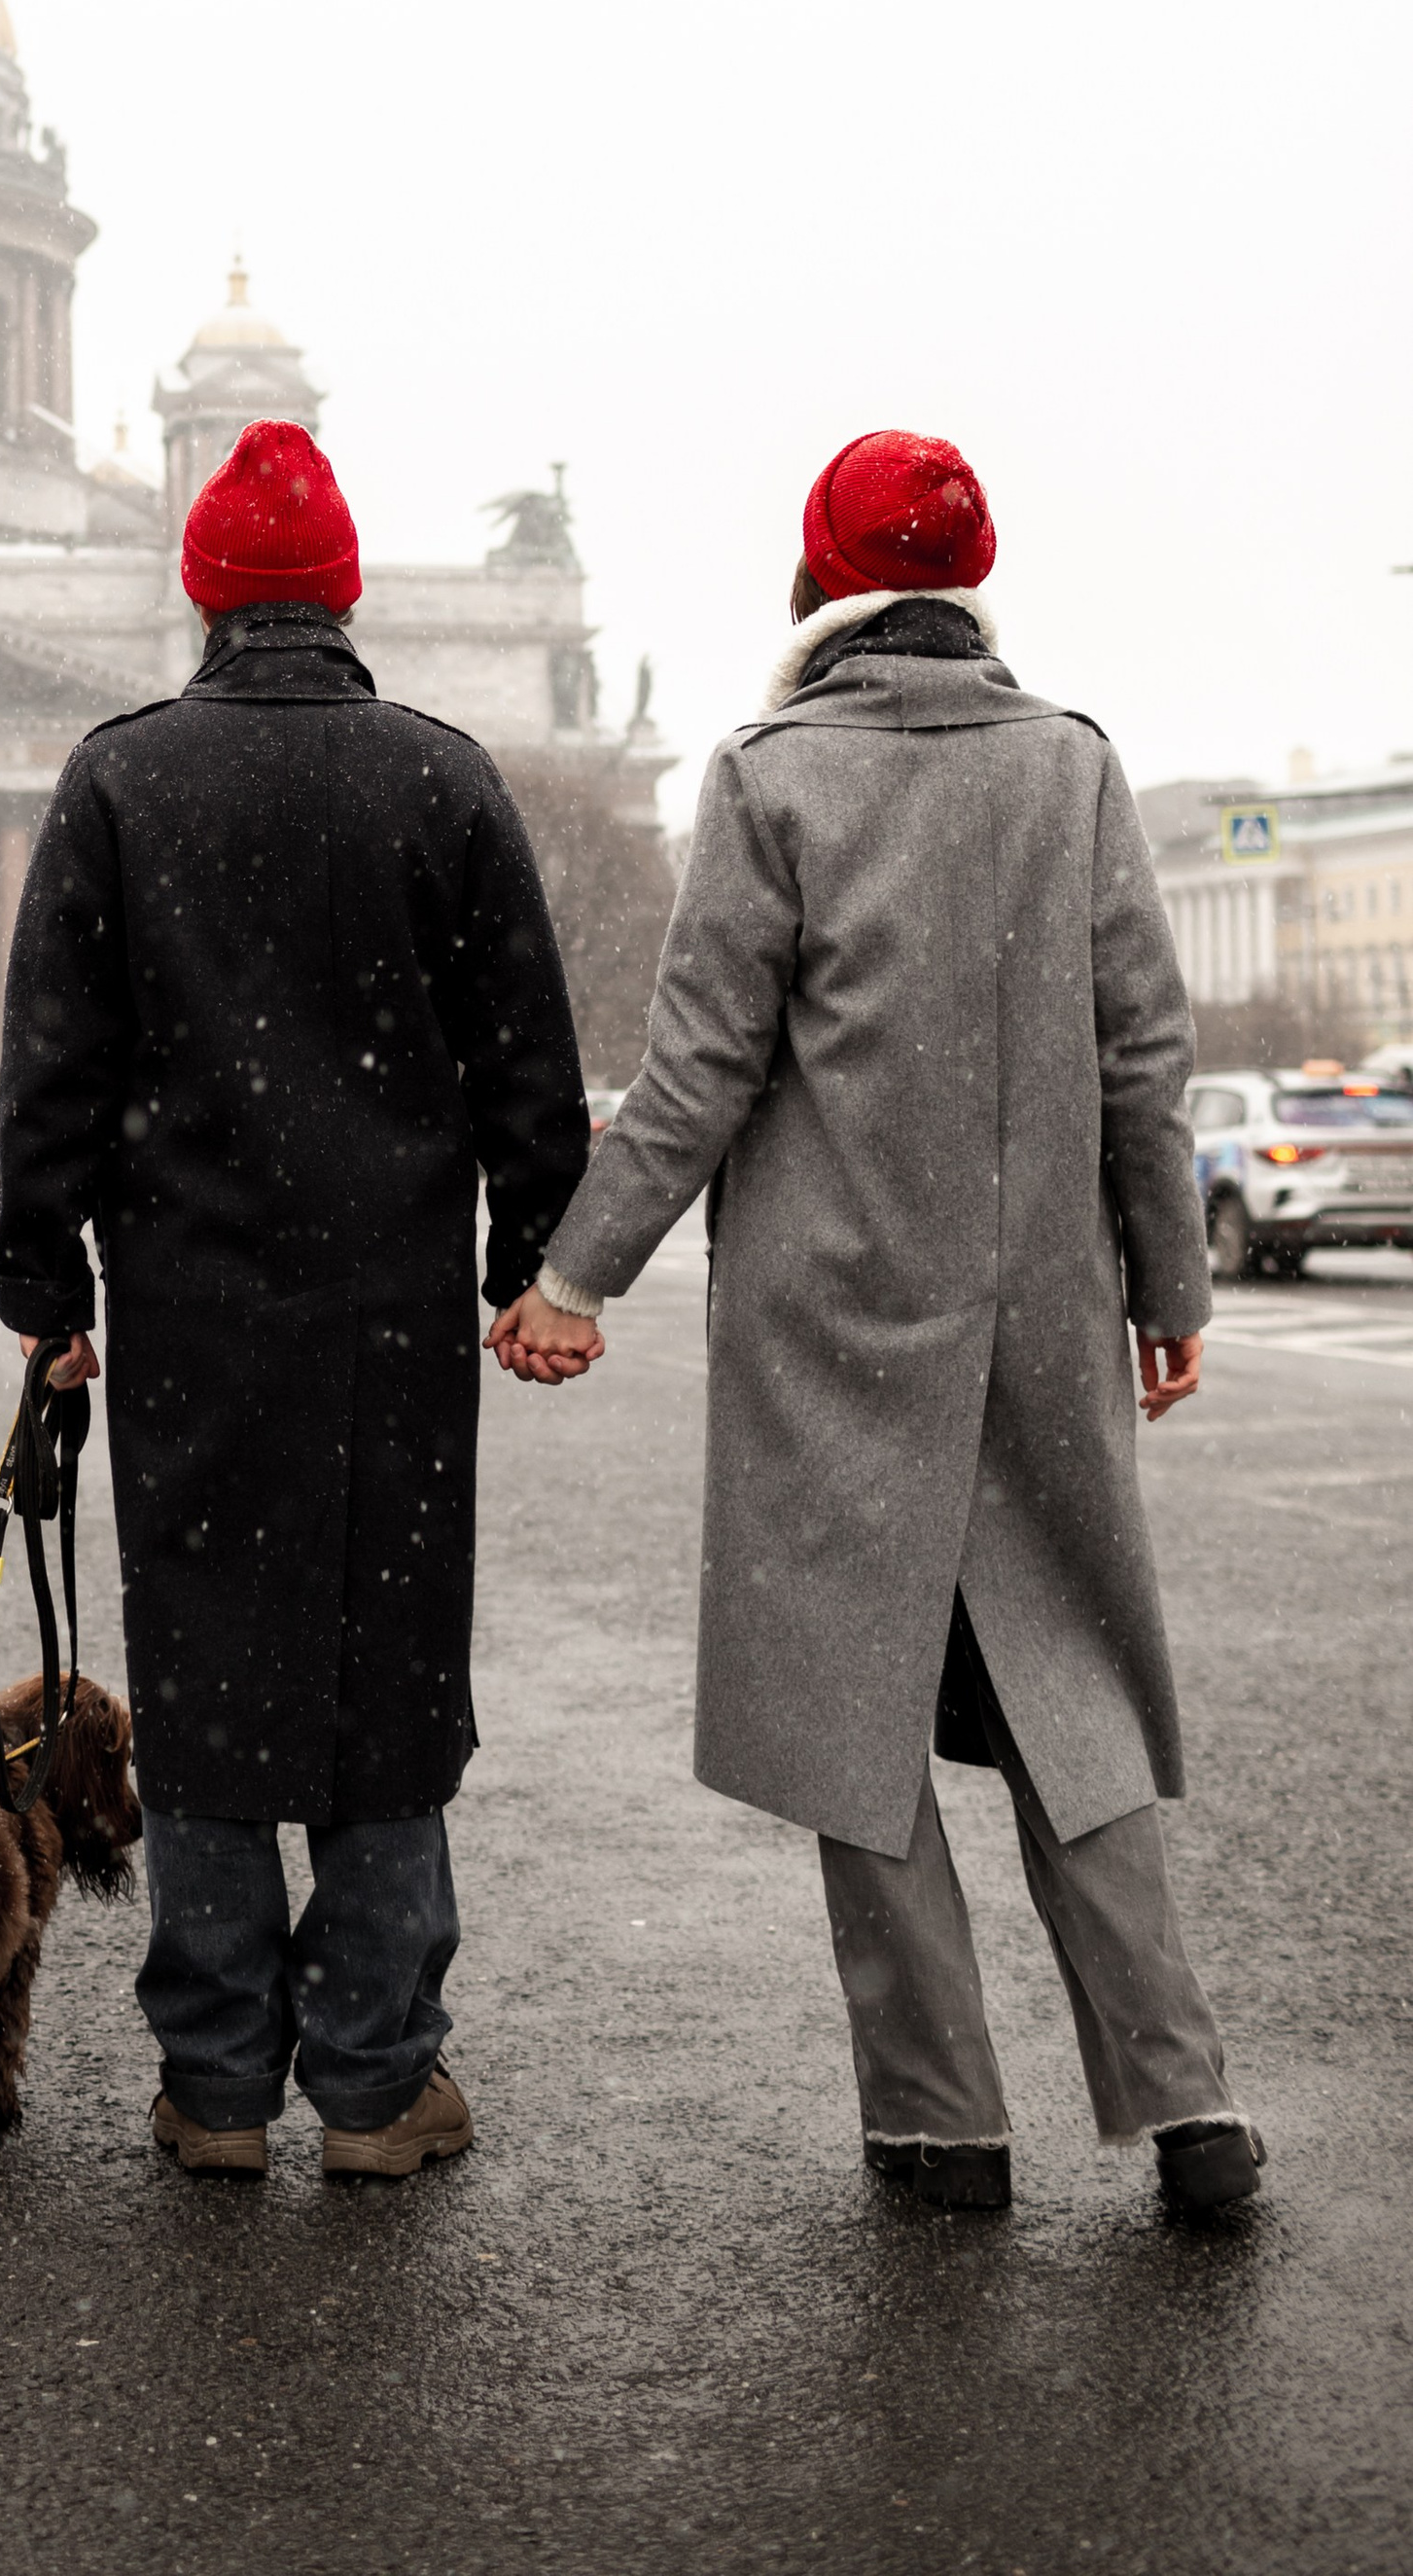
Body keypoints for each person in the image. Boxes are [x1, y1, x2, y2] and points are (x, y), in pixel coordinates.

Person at [491, 430, 1261, 2215]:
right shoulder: (1071, 764)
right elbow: (1145, 1056)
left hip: (830, 1325)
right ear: (969, 585)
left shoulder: (774, 773)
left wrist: (571, 1278)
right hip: (1040, 1313)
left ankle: (940, 2122)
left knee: (856, 1714)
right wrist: (1170, 1282)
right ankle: (1189, 2104)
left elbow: (700, 1070)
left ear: (821, 584)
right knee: (1072, 1694)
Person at [0, 419, 591, 2181]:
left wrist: (48, 1283)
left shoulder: (122, 779)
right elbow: (526, 1062)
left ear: (201, 593)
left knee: (207, 1685)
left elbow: (54, 1063)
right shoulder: (440, 777)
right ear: (345, 592)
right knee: (384, 1678)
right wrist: (532, 1264)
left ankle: (216, 2087)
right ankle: (379, 2084)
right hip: (387, 1315)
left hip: (191, 1312)